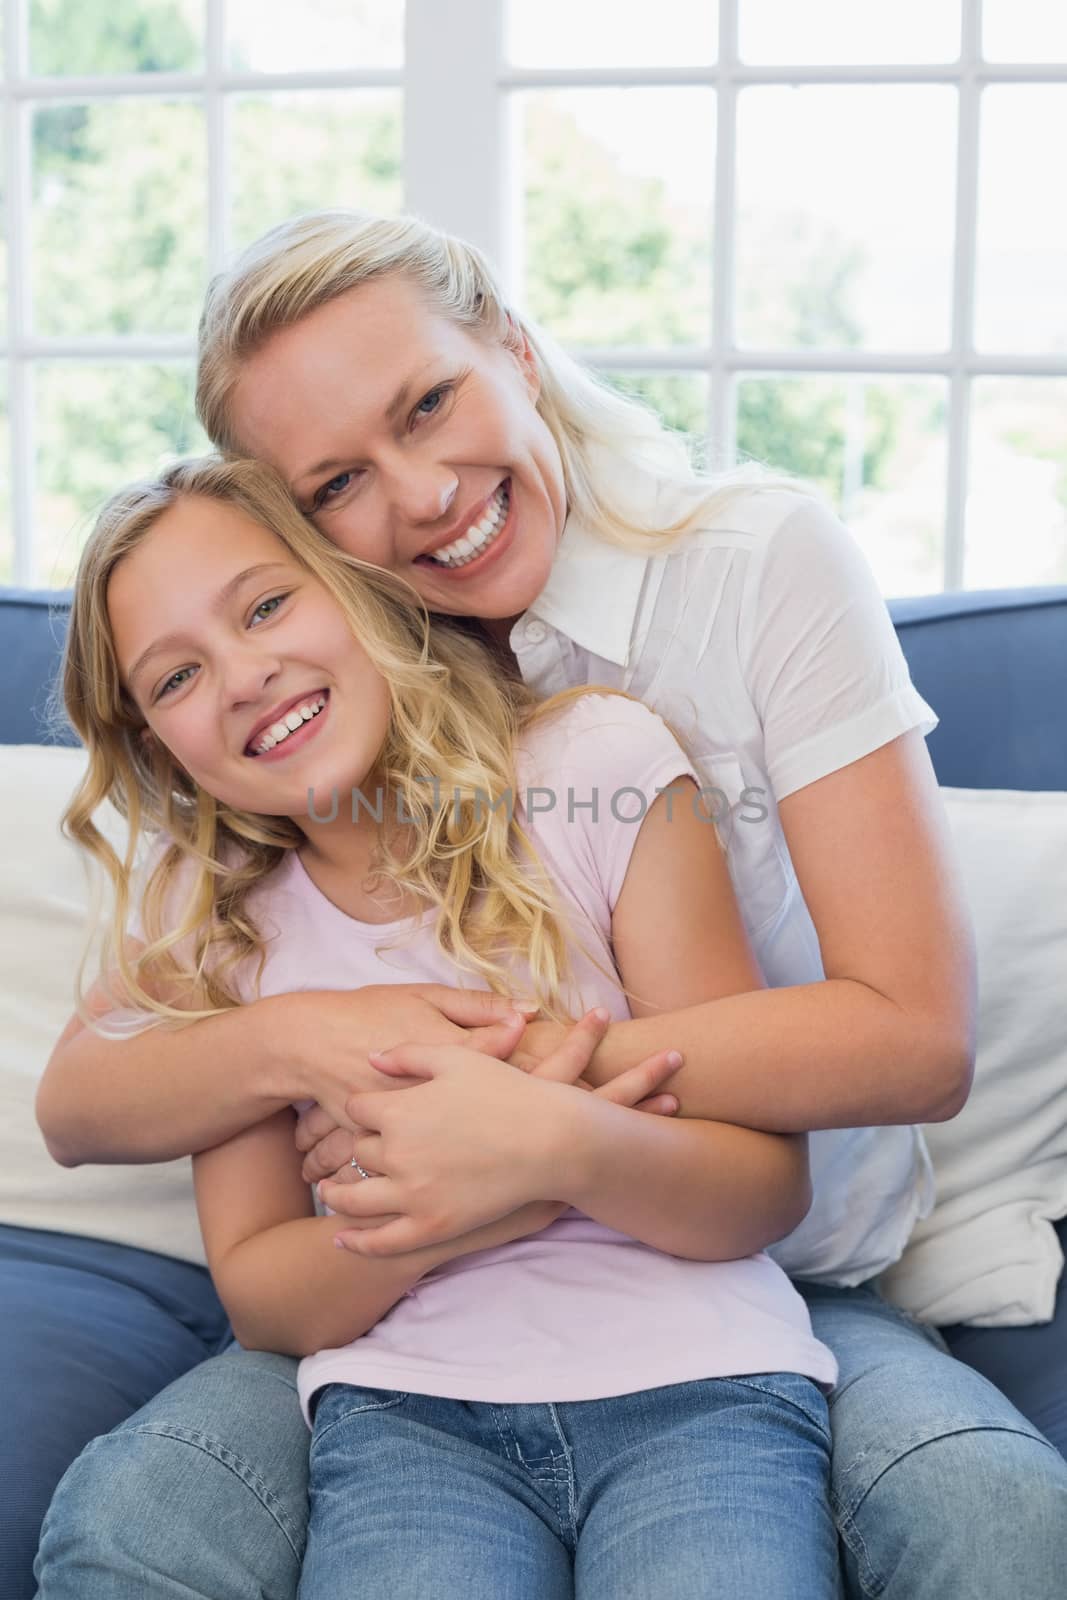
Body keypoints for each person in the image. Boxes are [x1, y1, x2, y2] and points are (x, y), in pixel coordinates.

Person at [34, 211, 1067, 1599]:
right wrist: (314, 1041)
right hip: (424, 1337)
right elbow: (92, 1099)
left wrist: (514, 1110)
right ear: (309, 531)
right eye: (338, 481)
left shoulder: (718, 600)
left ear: (513, 349)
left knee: (989, 1521)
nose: (414, 497)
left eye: (430, 403)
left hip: (751, 1280)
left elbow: (907, 1042)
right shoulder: (284, 758)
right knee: (141, 1521)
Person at [53, 453, 843, 1598]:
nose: (241, 676)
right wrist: (452, 1212)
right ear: (153, 741)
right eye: (175, 678)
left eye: (266, 604)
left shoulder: (595, 766)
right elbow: (263, 1288)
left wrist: (549, 1144)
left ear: (356, 584)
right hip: (404, 1416)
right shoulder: (219, 921)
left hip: (705, 1380)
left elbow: (762, 1187)